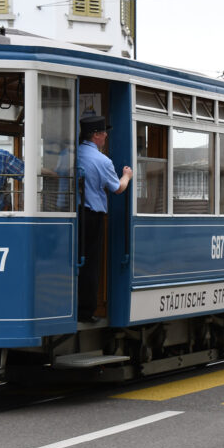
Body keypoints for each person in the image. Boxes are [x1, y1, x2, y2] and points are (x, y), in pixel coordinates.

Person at [77, 114, 132, 323]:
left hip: (71, 215)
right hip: (92, 216)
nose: (106, 136)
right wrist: (127, 175)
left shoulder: (70, 154)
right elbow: (117, 188)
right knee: (90, 263)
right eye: (103, 133)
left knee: (73, 260)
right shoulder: (102, 160)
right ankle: (86, 311)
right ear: (96, 136)